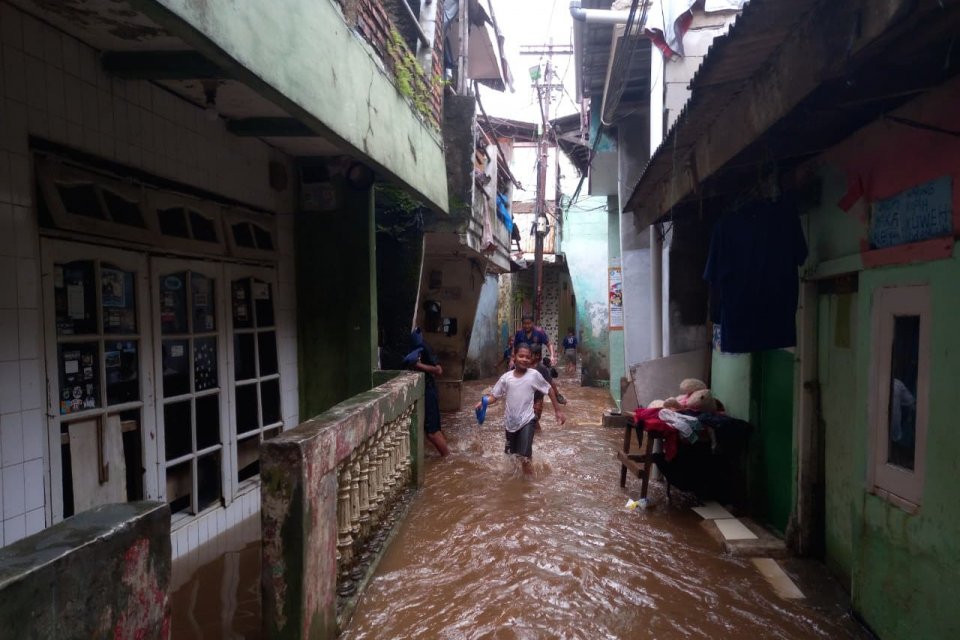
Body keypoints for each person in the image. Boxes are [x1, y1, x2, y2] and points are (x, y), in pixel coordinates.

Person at [476, 344, 565, 474]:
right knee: (512, 458)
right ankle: (515, 486)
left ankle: (528, 488)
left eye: (527, 357)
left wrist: (557, 411)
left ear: (531, 359)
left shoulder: (534, 375)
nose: (524, 359)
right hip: (510, 423)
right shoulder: (506, 378)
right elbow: (494, 396)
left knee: (524, 458)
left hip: (527, 421)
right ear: (514, 357)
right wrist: (483, 402)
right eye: (521, 356)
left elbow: (549, 389)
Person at [405, 328, 450, 457]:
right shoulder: (414, 346)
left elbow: (439, 370)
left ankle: (447, 458)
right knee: (431, 430)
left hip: (429, 391)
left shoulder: (423, 347)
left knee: (432, 432)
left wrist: (419, 366)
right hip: (425, 391)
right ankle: (447, 455)